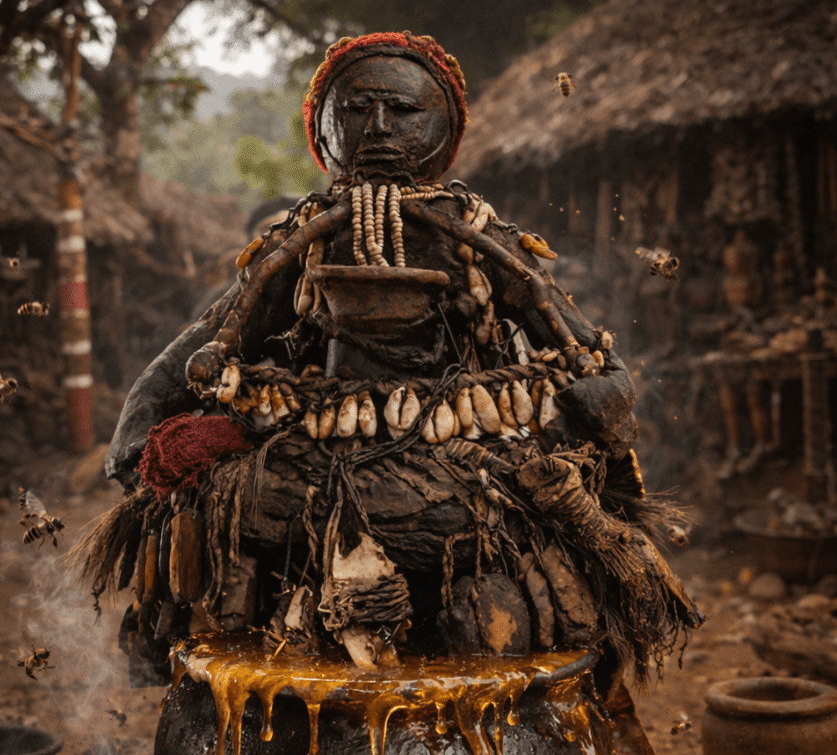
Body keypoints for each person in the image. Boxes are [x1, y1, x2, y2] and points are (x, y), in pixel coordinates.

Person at [89, 34, 699, 712]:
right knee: (225, 516)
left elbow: (597, 365)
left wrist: (583, 418)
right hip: (312, 465)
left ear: (443, 127)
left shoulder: (481, 238)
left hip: (467, 472)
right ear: (325, 127)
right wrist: (140, 432)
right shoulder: (302, 241)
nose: (379, 128)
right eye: (356, 109)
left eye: (403, 110)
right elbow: (201, 347)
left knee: (508, 567)